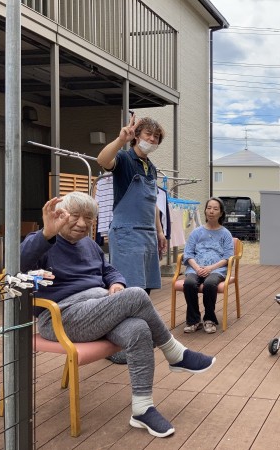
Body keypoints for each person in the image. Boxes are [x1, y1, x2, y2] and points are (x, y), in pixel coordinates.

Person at [20, 192, 216, 438]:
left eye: (88, 218)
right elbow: (19, 262)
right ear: (60, 215)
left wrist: (116, 284)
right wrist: (46, 233)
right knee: (137, 295)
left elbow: (109, 270)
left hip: (98, 308)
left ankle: (142, 409)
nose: (82, 223)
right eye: (75, 216)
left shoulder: (90, 245)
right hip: (62, 316)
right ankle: (175, 352)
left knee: (138, 329)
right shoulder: (43, 242)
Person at [96, 112, 167, 294]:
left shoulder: (151, 168)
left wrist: (160, 232)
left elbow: (152, 203)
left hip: (148, 235)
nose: (152, 139)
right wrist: (121, 140)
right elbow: (102, 160)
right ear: (136, 136)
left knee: (146, 288)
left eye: (156, 137)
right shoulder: (124, 159)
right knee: (128, 288)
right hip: (127, 235)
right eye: (148, 134)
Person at [182, 197, 234, 334]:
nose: (211, 211)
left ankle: (209, 319)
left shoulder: (225, 234)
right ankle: (193, 320)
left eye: (215, 209)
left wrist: (210, 268)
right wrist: (197, 268)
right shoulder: (196, 232)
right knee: (189, 283)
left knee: (210, 284)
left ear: (221, 213)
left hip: (217, 270)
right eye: (209, 208)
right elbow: (188, 254)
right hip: (195, 268)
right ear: (205, 211)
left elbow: (228, 257)